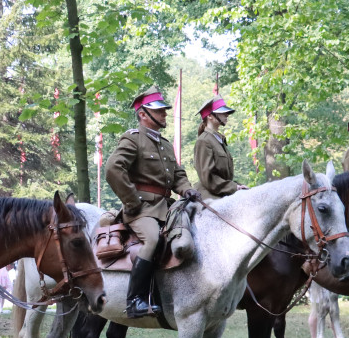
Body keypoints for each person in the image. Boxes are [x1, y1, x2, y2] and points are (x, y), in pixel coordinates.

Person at [105, 85, 193, 318]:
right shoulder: (133, 139)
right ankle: (134, 300)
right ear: (143, 114)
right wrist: (132, 202)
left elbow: (177, 175)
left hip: (167, 207)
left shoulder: (165, 144)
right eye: (160, 110)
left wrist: (187, 191)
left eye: (165, 110)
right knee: (152, 239)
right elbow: (113, 169)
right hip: (141, 210)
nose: (165, 114)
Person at [192, 96, 246, 200]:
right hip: (209, 197)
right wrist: (234, 187)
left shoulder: (218, 139)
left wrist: (238, 186)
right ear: (210, 116)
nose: (226, 115)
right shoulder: (204, 141)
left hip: (223, 193)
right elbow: (208, 178)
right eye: (222, 112)